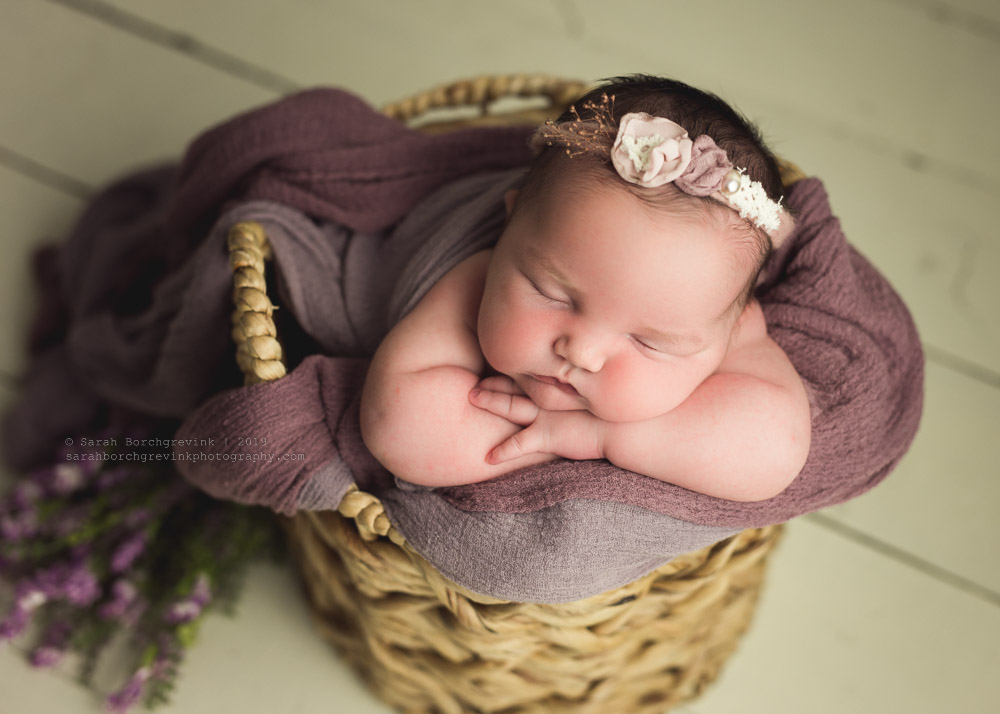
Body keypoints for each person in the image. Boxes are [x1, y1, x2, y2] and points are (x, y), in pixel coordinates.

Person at [359, 75, 811, 502]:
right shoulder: (477, 276)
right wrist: (545, 440)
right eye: (553, 296)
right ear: (509, 224)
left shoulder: (726, 320)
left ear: (738, 316)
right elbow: (397, 426)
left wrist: (602, 436)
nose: (581, 354)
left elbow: (776, 448)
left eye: (647, 341)